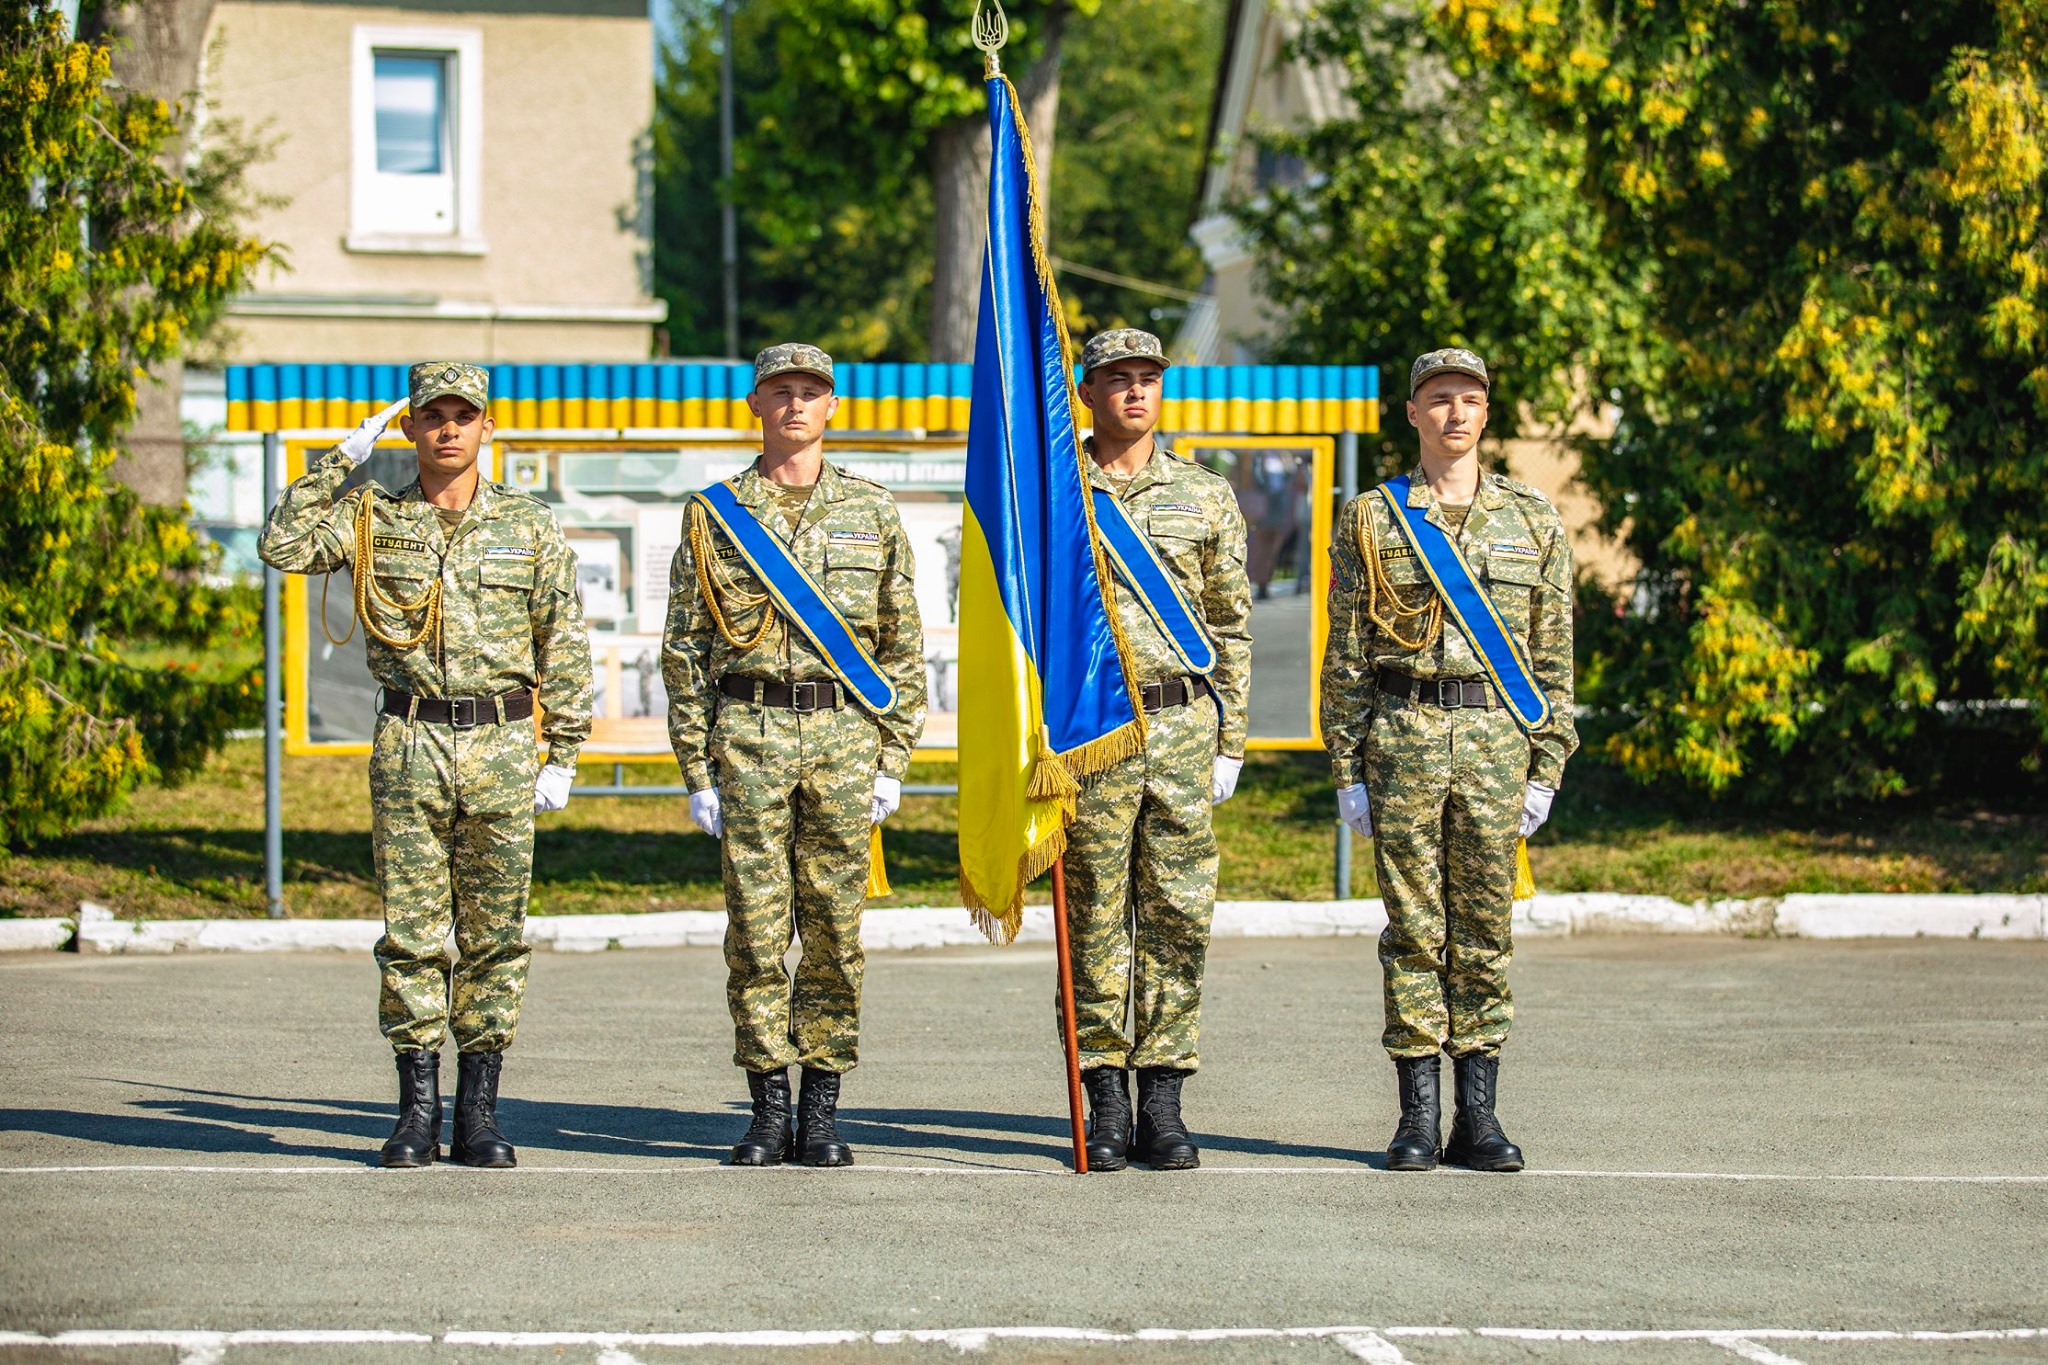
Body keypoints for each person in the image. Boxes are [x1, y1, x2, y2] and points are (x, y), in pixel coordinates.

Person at [259, 362, 594, 1169]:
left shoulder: (529, 524)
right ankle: (416, 1113)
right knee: (411, 936)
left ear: (487, 427)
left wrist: (566, 753)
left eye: (463, 415)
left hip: (504, 746)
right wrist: (338, 460)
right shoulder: (372, 516)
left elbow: (564, 640)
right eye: (432, 415)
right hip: (409, 741)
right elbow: (282, 546)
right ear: (408, 428)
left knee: (493, 936)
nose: (448, 428)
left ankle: (479, 1115)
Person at [662, 344, 927, 1168]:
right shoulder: (714, 514)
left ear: (833, 406)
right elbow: (684, 649)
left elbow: (903, 646)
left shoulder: (872, 511)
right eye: (781, 391)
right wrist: (696, 769)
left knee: (835, 932)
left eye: (811, 392)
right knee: (755, 929)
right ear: (755, 403)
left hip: (845, 739)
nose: (796, 406)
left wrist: (892, 759)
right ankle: (767, 1107)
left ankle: (822, 1109)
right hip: (748, 737)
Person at [1319, 347, 1578, 1173]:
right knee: (1413, 930)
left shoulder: (1533, 518)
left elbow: (1555, 656)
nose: (1455, 413)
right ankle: (1416, 1119)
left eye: (1469, 399)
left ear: (1487, 413)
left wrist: (1547, 765)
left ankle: (1481, 1118)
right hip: (1402, 734)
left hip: (1497, 740)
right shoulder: (1372, 517)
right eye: (1439, 399)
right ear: (1412, 413)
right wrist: (1347, 767)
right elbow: (1348, 651)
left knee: (1485, 931)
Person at [1063, 328, 1252, 1171]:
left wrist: (1231, 739)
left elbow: (1231, 626)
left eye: (1148, 379)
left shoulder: (1205, 495)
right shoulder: (1057, 489)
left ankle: (1164, 1103)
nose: (1136, 393)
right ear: (1089, 388)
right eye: (1118, 380)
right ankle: (1104, 1099)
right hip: (1092, 731)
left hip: (1181, 726)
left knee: (1177, 915)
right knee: (1097, 911)